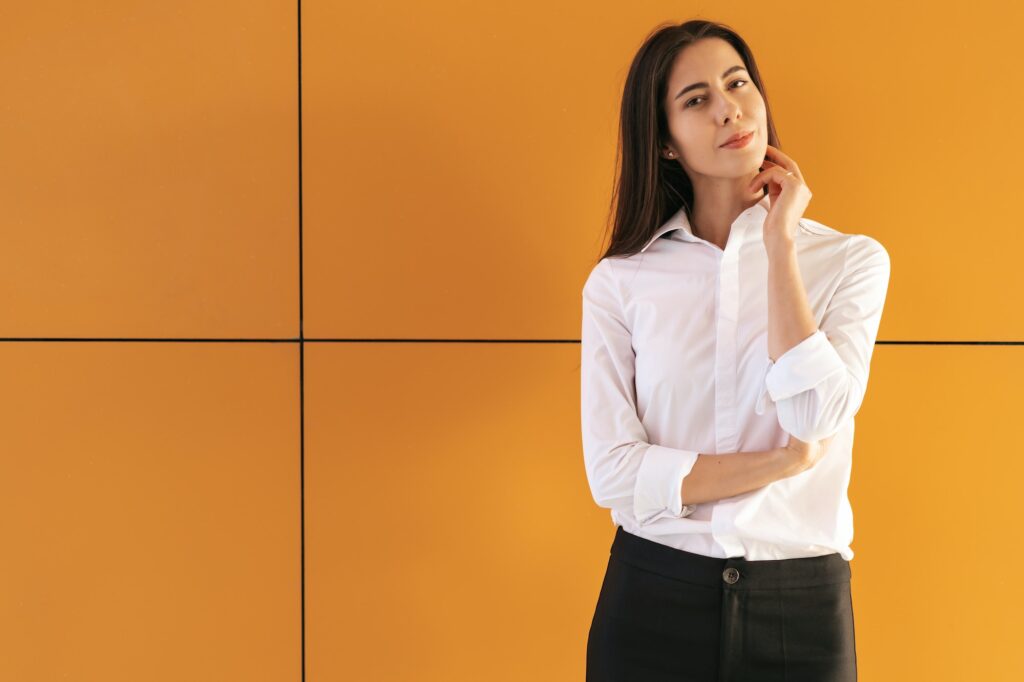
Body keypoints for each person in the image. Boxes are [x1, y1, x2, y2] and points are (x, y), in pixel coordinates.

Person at [580, 19, 891, 682]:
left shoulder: (849, 261)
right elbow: (612, 474)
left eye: (737, 83)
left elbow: (815, 415)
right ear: (664, 143)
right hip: (650, 598)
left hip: (802, 608)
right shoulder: (621, 282)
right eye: (696, 99)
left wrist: (780, 244)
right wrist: (780, 463)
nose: (729, 108)